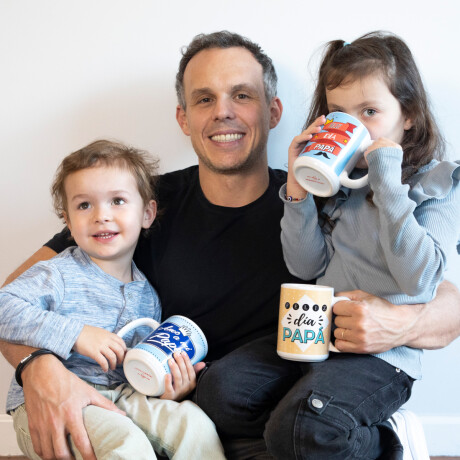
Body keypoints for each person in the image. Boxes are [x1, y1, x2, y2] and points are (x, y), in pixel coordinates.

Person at [0, 31, 459, 460]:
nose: (223, 111)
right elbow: (12, 296)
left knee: (300, 432)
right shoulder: (136, 206)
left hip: (293, 416)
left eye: (242, 95)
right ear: (184, 118)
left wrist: (397, 325)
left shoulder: (318, 197)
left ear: (273, 112)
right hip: (181, 419)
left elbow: (449, 303)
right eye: (204, 99)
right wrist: (38, 367)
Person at [276, 31, 460, 457]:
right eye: (339, 112)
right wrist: (299, 187)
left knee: (303, 429)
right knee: (226, 394)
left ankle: (390, 443)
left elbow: (419, 281)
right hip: (316, 337)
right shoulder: (340, 186)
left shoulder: (438, 183)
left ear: (408, 115)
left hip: (384, 358)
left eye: (370, 112)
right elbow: (304, 266)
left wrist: (387, 180)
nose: (353, 125)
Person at [0, 140, 225, 460]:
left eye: (117, 201)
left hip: (119, 395)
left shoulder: (148, 293)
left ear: (147, 213)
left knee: (195, 424)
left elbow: (134, 370)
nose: (101, 216)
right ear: (67, 221)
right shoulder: (57, 274)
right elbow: (3, 305)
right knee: (128, 445)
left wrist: (162, 385)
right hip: (50, 402)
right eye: (84, 205)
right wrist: (77, 333)